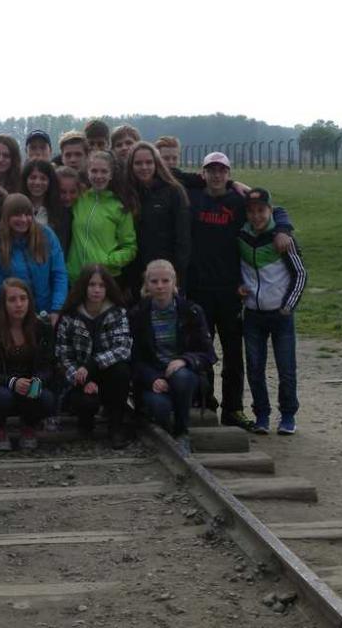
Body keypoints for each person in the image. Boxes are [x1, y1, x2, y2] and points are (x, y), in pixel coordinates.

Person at [186, 152, 294, 430]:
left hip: (232, 291)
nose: (216, 175)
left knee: (234, 353)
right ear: (203, 173)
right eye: (211, 170)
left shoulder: (237, 200)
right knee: (202, 350)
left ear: (228, 173)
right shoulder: (193, 197)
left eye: (222, 171)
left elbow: (272, 208)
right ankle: (204, 403)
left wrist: (284, 228)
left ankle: (233, 409)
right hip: (199, 288)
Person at [238, 188, 307, 435]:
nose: (256, 216)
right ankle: (262, 414)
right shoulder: (241, 237)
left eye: (261, 211)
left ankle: (288, 415)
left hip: (280, 314)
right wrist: (239, 287)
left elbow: (300, 274)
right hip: (253, 314)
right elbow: (235, 268)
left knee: (286, 368)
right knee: (255, 367)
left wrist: (288, 305)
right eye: (251, 212)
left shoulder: (284, 240)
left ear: (270, 211)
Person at [129, 259, 215, 452]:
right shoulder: (137, 314)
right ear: (147, 284)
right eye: (154, 281)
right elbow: (134, 358)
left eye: (165, 281)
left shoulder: (191, 311)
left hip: (184, 374)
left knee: (181, 377)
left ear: (174, 282)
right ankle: (165, 431)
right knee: (160, 407)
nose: (160, 286)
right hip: (154, 375)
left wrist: (184, 360)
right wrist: (152, 379)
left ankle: (182, 432)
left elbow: (209, 354)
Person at [55, 264, 133, 449]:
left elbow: (123, 348)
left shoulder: (118, 312)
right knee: (85, 401)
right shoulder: (69, 316)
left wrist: (92, 365)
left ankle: (116, 427)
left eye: (102, 285)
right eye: (92, 285)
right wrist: (81, 377)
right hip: (79, 378)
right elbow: (62, 355)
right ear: (84, 286)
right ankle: (85, 423)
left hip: (107, 374)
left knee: (122, 370)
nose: (97, 290)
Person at [0, 278, 56, 451]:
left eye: (23, 298)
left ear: (30, 301)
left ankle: (29, 425)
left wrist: (37, 380)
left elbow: (49, 364)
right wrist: (12, 382)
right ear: (3, 303)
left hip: (30, 383)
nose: (19, 304)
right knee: (1, 397)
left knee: (45, 398)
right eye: (12, 300)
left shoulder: (42, 328)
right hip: (1, 384)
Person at [0, 194, 68, 323]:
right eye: (17, 215)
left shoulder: (47, 235)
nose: (23, 219)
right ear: (6, 217)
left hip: (49, 312)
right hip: (18, 318)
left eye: (27, 214)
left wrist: (57, 309)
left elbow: (59, 273)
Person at [127, 141, 190, 296]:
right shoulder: (127, 193)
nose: (144, 167)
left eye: (149, 162)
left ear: (156, 164)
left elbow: (183, 237)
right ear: (130, 166)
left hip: (166, 273)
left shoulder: (174, 191)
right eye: (138, 163)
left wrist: (177, 273)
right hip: (136, 272)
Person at [66, 151, 137, 284]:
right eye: (94, 171)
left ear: (111, 175)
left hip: (105, 278)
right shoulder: (79, 199)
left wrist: (107, 261)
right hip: (75, 276)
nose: (99, 176)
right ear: (88, 173)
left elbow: (130, 248)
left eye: (104, 171)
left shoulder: (119, 207)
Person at [23, 159, 70, 253]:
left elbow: (62, 246)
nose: (37, 182)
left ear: (50, 182)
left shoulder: (60, 212)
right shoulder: (17, 207)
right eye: (33, 177)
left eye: (43, 178)